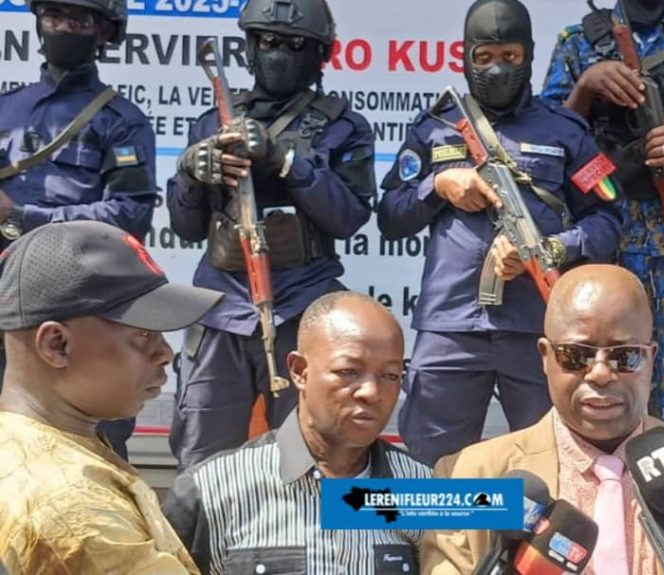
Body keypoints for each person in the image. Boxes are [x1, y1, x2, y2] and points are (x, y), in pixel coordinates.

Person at [378, 0, 622, 467]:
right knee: (433, 467)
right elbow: (391, 216)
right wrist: (438, 186)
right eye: (485, 57)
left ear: (528, 55)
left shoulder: (565, 131)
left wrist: (552, 249)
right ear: (466, 57)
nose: (497, 69)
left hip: (537, 325)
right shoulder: (434, 128)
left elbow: (609, 219)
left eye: (510, 56)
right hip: (450, 326)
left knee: (552, 464)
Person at [421, 264, 664, 574]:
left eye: (626, 356)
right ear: (545, 357)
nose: (601, 374)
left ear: (650, 359)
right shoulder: (470, 474)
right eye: (576, 355)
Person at [167, 0, 377, 470]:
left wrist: (285, 160)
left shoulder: (345, 127)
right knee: (202, 454)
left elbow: (348, 217)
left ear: (320, 54)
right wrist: (191, 174)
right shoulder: (213, 122)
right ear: (249, 48)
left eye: (295, 44)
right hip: (221, 306)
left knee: (312, 453)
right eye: (267, 42)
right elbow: (185, 227)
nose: (278, 54)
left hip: (302, 307)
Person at [540, 0, 664, 436]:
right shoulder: (577, 44)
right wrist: (586, 88)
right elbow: (545, 141)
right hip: (596, 237)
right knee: (592, 373)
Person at [0, 220, 223, 574]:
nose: (165, 353)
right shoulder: (75, 509)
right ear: (57, 345)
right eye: (144, 334)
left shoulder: (38, 449)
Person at [162, 292, 430, 574]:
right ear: (300, 371)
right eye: (349, 371)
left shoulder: (426, 490)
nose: (372, 392)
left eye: (390, 375)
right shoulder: (209, 491)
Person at [0, 0, 159, 459]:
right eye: (53, 15)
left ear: (104, 32)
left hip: (83, 309)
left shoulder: (121, 121)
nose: (63, 27)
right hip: (5, 298)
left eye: (79, 19)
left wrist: (23, 218)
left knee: (91, 449)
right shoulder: (6, 110)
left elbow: (130, 217)